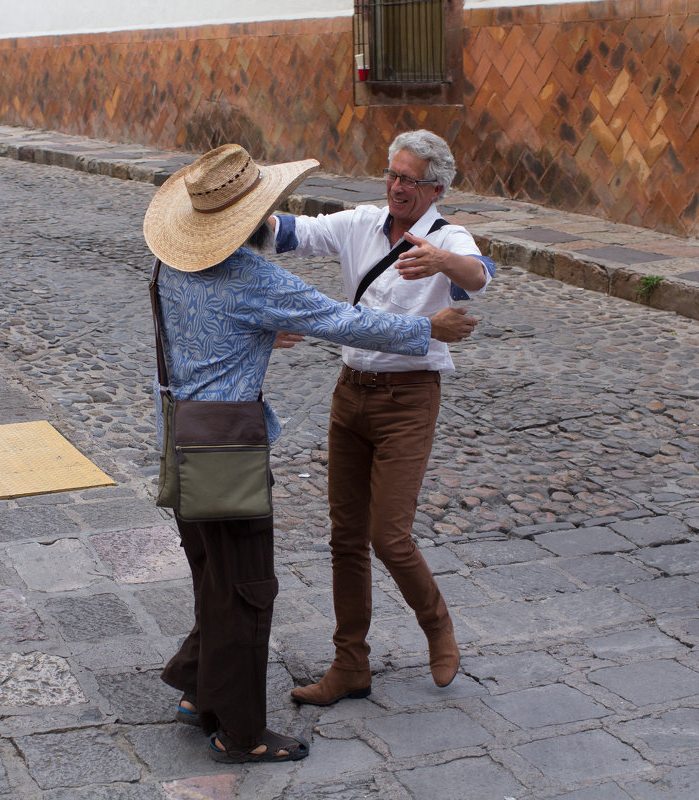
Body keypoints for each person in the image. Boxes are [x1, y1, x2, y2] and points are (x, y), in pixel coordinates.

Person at [143, 143, 477, 763]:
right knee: (247, 585)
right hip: (229, 443)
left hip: (181, 433)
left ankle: (197, 690)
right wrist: (428, 329)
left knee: (212, 574)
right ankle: (240, 732)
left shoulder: (169, 265)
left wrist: (261, 329)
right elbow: (339, 320)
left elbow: (208, 328)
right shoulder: (252, 277)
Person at [270, 130, 495, 706]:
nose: (396, 187)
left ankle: (437, 625)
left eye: (409, 180)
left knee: (387, 535)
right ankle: (351, 664)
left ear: (435, 188)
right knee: (344, 537)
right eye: (392, 175)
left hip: (409, 400)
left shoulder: (449, 238)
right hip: (351, 396)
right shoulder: (360, 224)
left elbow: (479, 275)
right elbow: (293, 232)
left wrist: (442, 260)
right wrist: (243, 214)